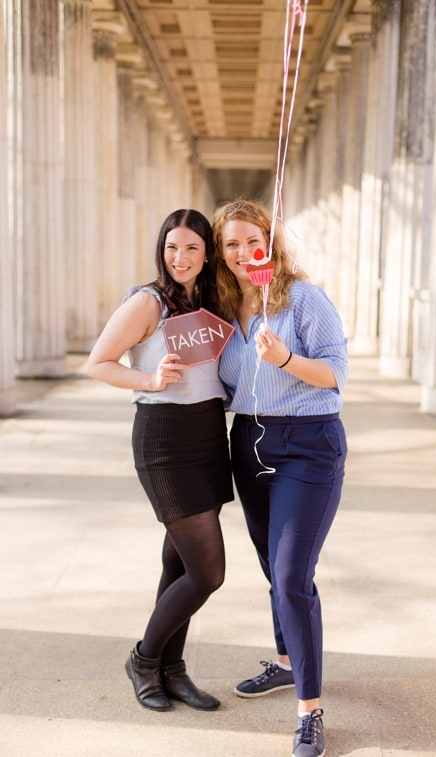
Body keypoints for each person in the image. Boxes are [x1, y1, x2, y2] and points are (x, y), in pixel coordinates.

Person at [212, 198, 348, 757]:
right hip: (248, 441)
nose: (244, 253)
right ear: (221, 254)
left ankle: (310, 714)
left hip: (309, 445)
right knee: (273, 566)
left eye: (252, 240)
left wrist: (286, 358)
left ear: (271, 240)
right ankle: (289, 662)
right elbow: (222, 386)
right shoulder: (222, 310)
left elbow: (335, 374)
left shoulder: (301, 299)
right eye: (231, 244)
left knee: (293, 575)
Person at [85, 209, 232, 712]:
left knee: (179, 563)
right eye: (172, 247)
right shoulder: (149, 301)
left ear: (207, 252)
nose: (180, 257)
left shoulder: (212, 300)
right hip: (165, 440)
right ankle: (144, 660)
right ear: (161, 250)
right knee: (208, 572)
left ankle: (174, 670)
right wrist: (150, 379)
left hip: (209, 434)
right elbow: (98, 362)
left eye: (191, 247)